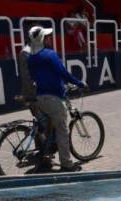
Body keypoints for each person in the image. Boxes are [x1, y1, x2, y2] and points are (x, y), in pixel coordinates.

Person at [27, 26, 88, 172]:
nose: (49, 38)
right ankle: (67, 164)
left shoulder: (31, 58)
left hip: (40, 98)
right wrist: (79, 83)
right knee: (62, 130)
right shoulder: (50, 54)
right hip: (53, 98)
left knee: (46, 129)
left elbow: (36, 77)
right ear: (42, 39)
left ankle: (44, 159)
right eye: (47, 37)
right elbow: (63, 73)